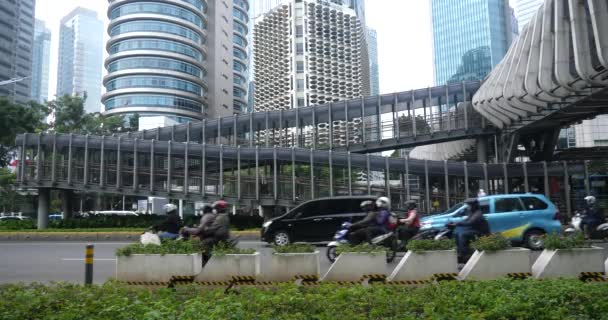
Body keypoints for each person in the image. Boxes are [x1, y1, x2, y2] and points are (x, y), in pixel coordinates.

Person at [449, 198, 490, 265]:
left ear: (473, 205)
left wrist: (457, 224)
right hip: (474, 230)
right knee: (456, 233)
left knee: (462, 235)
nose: (468, 207)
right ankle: (459, 251)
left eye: (469, 205)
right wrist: (454, 223)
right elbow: (466, 220)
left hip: (480, 232)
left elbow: (470, 223)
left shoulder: (478, 213)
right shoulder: (472, 212)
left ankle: (463, 254)